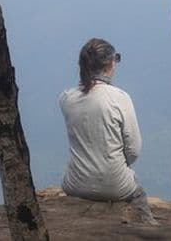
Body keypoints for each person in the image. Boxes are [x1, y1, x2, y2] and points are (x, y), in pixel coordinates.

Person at [59, 38, 156, 224]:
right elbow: (134, 149)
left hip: (75, 184)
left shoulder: (66, 99)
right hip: (115, 184)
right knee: (139, 196)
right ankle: (149, 228)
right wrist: (119, 164)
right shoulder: (120, 98)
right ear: (110, 63)